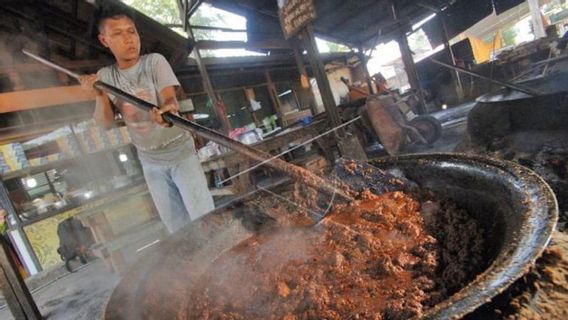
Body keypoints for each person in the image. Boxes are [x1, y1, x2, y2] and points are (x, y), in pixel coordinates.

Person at [79, 5, 214, 233]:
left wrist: (167, 113)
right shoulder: (105, 77)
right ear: (104, 40)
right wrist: (99, 94)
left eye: (131, 31)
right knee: (177, 229)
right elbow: (105, 124)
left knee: (204, 218)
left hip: (180, 153)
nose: (128, 39)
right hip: (151, 163)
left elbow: (170, 99)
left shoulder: (154, 62)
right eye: (118, 34)